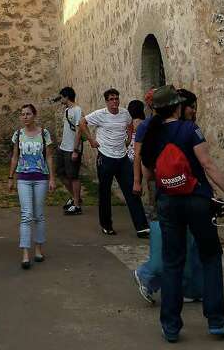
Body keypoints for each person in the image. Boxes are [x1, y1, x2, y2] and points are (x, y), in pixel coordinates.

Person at [140, 85, 224, 342]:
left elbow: (149, 175)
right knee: (210, 256)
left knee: (172, 263)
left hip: (168, 203)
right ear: (177, 106)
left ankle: (171, 327)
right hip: (196, 201)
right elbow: (207, 164)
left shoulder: (151, 135)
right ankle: (216, 321)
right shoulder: (189, 130)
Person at [132, 89, 203, 306]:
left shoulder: (186, 128)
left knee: (190, 242)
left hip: (187, 191)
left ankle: (189, 287)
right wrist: (138, 181)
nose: (193, 111)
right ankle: (147, 274)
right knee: (166, 244)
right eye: (191, 107)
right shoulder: (149, 127)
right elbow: (141, 158)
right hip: (164, 192)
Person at [78, 88, 150, 237]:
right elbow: (82, 122)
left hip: (122, 158)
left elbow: (130, 124)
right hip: (105, 157)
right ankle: (106, 225)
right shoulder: (100, 114)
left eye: (116, 99)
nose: (114, 102)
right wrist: (91, 140)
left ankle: (142, 227)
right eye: (111, 99)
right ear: (106, 101)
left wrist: (129, 138)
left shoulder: (125, 113)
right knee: (105, 193)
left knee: (132, 191)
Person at [8, 104, 55, 269]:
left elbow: (49, 156)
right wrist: (10, 177)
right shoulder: (18, 134)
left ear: (34, 115)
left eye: (28, 114)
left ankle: (38, 249)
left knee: (39, 215)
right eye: (22, 114)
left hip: (41, 178)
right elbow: (15, 156)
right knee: (26, 215)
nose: (25, 117)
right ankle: (25, 253)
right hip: (23, 179)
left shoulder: (44, 133)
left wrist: (51, 178)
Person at [54, 87, 85, 215]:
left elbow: (79, 131)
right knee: (61, 173)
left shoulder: (77, 110)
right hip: (63, 147)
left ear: (66, 97)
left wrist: (75, 150)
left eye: (61, 97)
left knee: (73, 176)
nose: (60, 99)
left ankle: (77, 205)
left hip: (72, 148)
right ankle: (75, 197)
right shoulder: (67, 110)